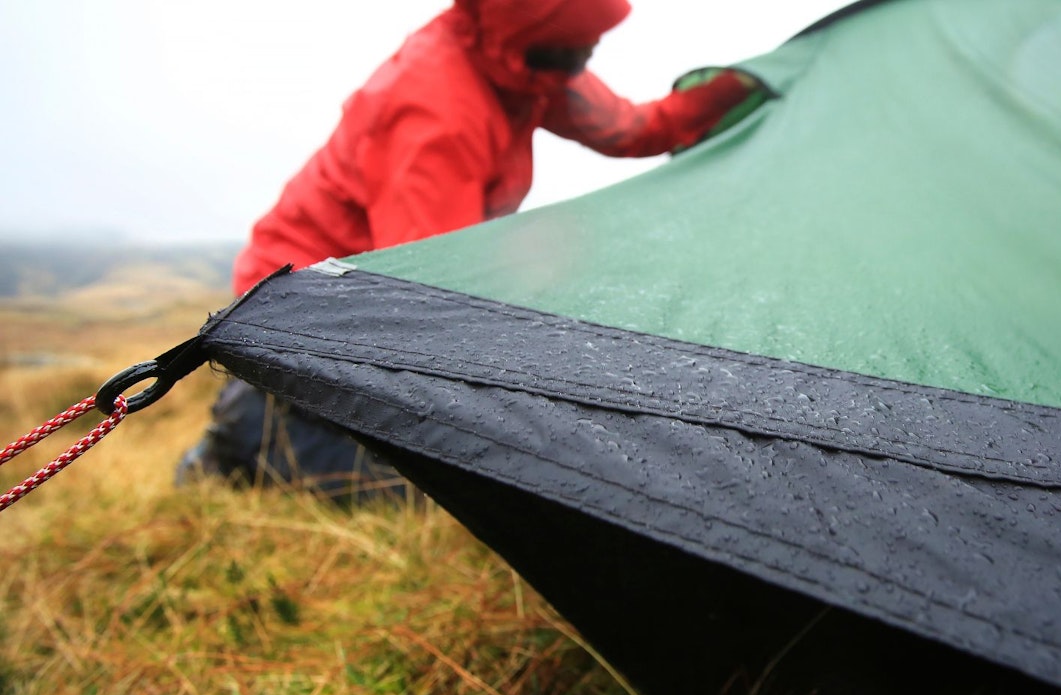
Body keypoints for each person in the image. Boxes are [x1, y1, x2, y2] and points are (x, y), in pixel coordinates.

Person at [179, 0, 757, 499]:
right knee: (424, 497)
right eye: (569, 50)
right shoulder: (437, 109)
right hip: (308, 305)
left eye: (589, 47)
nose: (582, 63)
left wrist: (742, 88)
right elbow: (428, 295)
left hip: (386, 292)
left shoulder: (530, 64)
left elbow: (629, 127)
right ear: (530, 33)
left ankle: (269, 423)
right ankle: (248, 425)